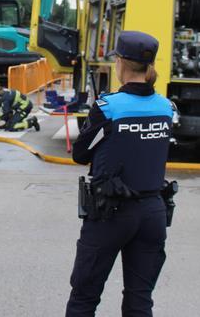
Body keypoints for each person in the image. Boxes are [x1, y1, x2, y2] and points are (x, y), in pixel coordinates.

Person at [65, 31, 174, 317]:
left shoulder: (108, 108)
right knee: (140, 301)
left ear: (122, 63)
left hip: (110, 214)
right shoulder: (166, 108)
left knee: (84, 298)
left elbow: (80, 154)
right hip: (153, 213)